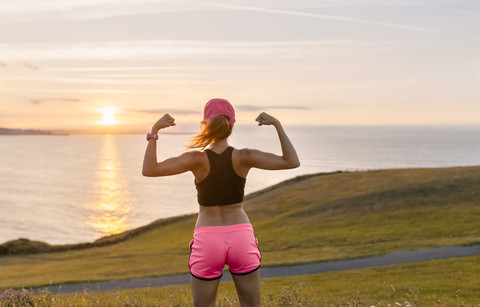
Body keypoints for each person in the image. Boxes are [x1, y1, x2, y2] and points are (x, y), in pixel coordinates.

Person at [142, 98, 300, 307]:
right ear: (231, 125)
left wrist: (155, 131)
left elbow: (150, 170)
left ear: (205, 124)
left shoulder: (196, 159)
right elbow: (291, 162)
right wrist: (277, 124)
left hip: (207, 238)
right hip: (241, 236)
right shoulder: (244, 156)